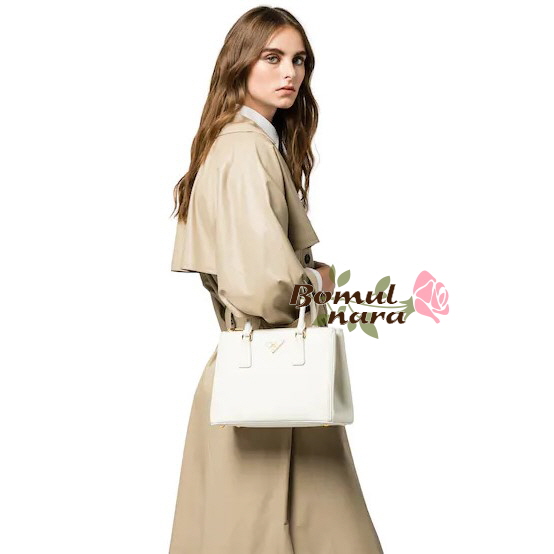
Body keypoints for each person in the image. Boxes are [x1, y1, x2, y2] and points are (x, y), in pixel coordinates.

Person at [168, 6, 384, 554]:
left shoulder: (240, 143)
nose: (290, 72)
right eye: (272, 57)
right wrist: (316, 280)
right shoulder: (246, 149)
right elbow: (264, 286)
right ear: (239, 63)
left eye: (299, 60)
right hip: (273, 377)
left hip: (261, 378)